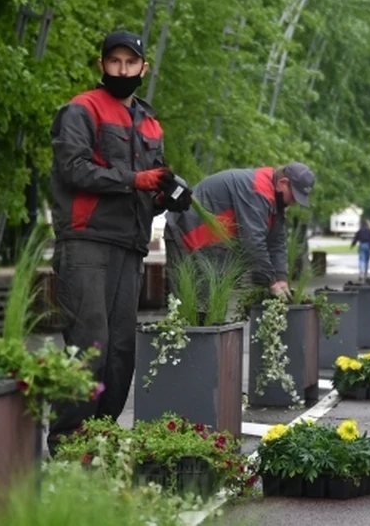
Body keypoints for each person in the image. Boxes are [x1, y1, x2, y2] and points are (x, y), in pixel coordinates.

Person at [47, 29, 190, 455]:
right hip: (86, 242)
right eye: (115, 62)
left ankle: (100, 439)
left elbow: (153, 181)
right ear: (102, 66)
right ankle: (68, 444)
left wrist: (167, 194)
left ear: (144, 68)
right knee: (89, 348)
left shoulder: (149, 121)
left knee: (120, 354)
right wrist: (134, 180)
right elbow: (74, 170)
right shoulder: (81, 109)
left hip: (130, 247)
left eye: (131, 63)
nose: (122, 69)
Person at [164, 163, 316, 299]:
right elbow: (253, 242)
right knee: (191, 303)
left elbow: (276, 242)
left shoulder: (276, 200)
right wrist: (271, 282)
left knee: (212, 304)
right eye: (294, 196)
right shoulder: (258, 189)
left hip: (211, 248)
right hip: (186, 236)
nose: (294, 203)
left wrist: (281, 278)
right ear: (283, 183)